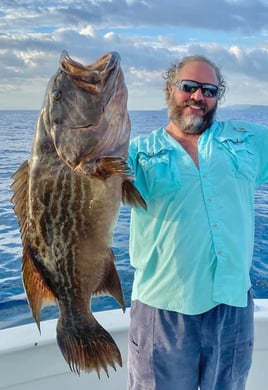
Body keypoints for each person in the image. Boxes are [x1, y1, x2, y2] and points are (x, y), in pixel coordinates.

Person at [127, 55, 268, 390]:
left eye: (209, 90)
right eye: (188, 87)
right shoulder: (137, 153)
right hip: (163, 309)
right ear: (169, 90)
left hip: (232, 304)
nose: (198, 97)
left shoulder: (248, 138)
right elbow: (77, 174)